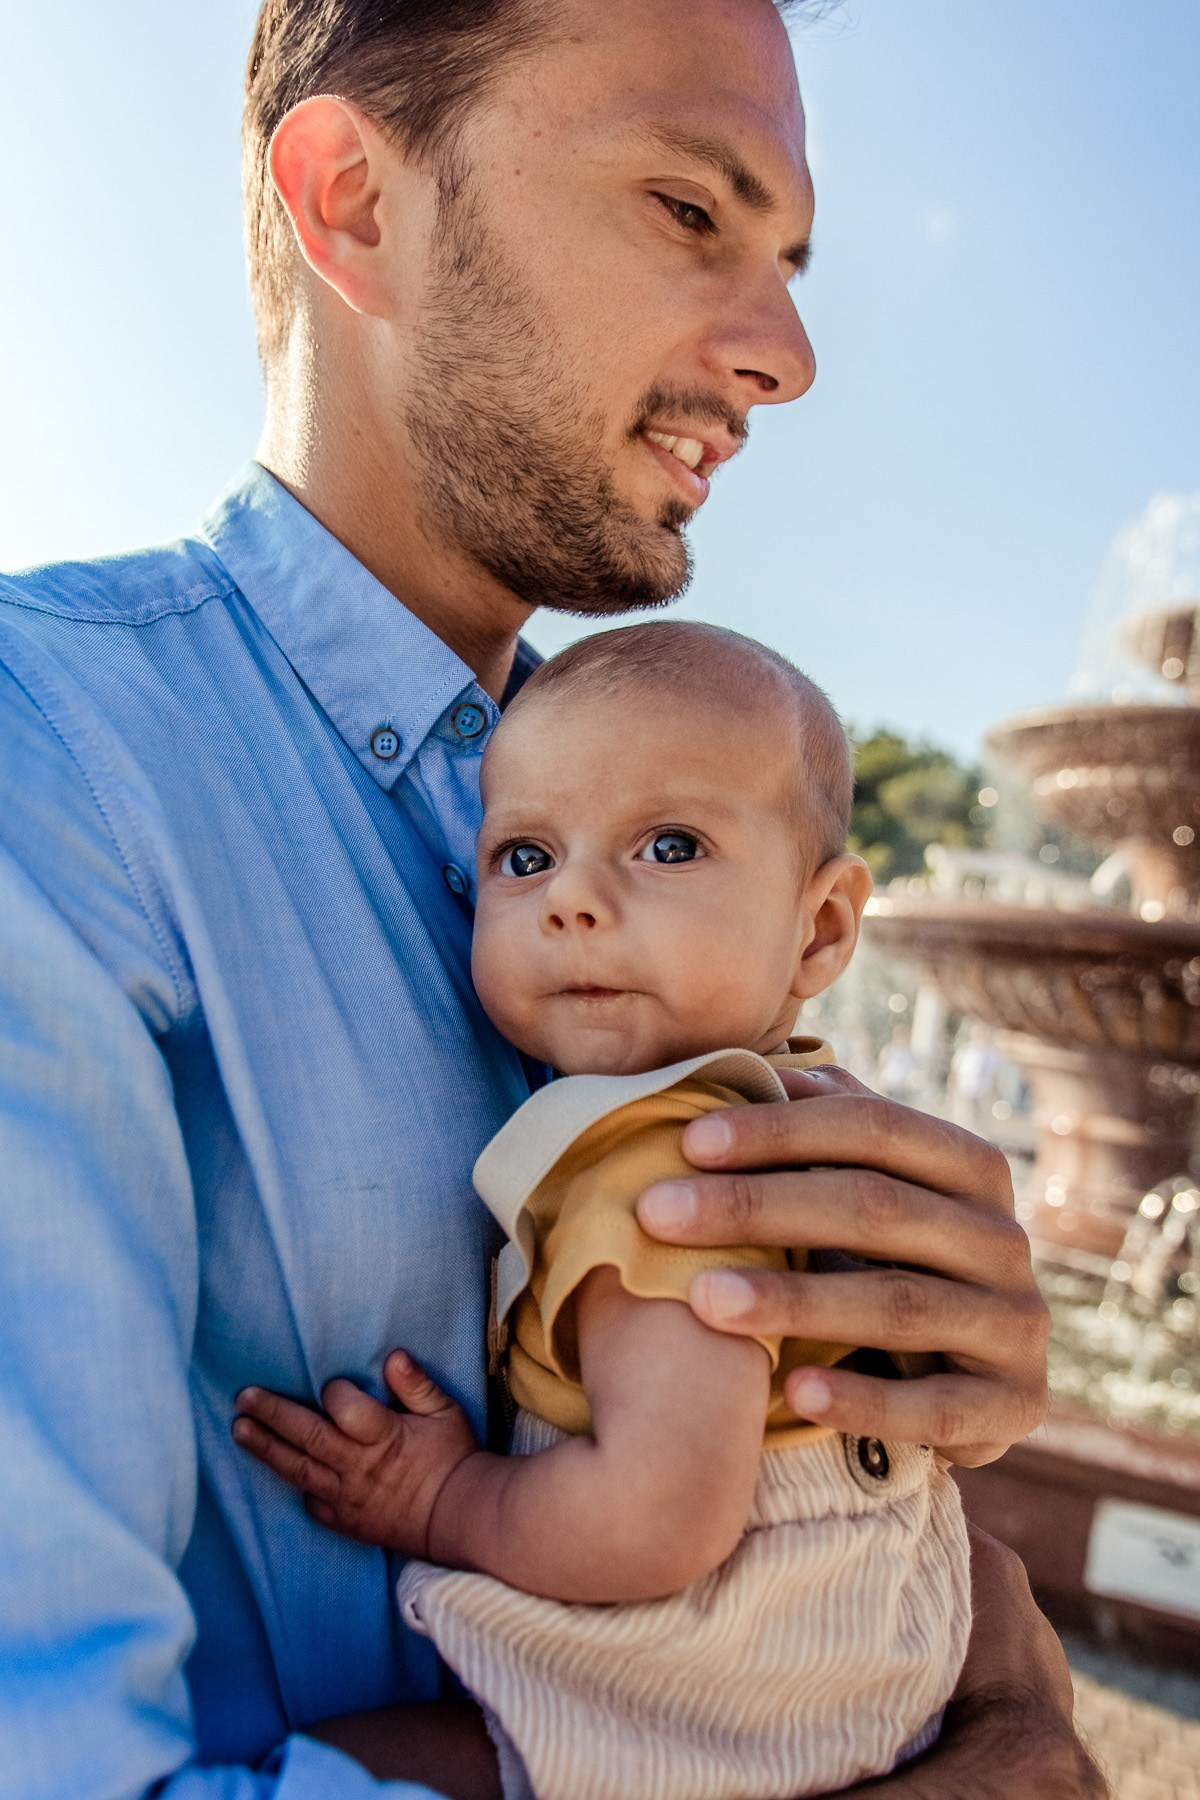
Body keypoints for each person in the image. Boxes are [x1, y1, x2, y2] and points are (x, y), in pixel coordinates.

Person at [0, 2, 1101, 1797]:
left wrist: (908, 1426)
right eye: (691, 210)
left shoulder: (688, 815)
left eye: (788, 261)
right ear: (353, 201)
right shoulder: (43, 766)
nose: (787, 355)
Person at [234, 622, 974, 1800]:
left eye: (669, 846)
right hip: (835, 1671)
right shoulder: (804, 1110)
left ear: (823, 928)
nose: (572, 899)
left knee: (318, 1774)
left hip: (711, 1692)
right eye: (525, 857)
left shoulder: (665, 1162)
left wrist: (444, 1498)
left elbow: (657, 1516)